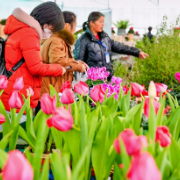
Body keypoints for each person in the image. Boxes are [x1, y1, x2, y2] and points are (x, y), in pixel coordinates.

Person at [1, 2, 66, 113]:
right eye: (53, 29)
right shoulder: (29, 34)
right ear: (46, 24)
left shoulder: (21, 29)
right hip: (18, 98)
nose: (51, 33)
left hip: (13, 91)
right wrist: (59, 69)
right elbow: (36, 68)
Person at [74, 12, 149, 79]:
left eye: (103, 22)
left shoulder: (105, 38)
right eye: (100, 22)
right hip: (92, 81)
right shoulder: (83, 40)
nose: (102, 24)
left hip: (107, 79)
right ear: (91, 23)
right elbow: (78, 63)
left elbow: (121, 47)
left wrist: (137, 52)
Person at [39, 11, 88, 100]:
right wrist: (78, 66)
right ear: (67, 26)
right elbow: (58, 61)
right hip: (51, 92)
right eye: (75, 25)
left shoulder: (57, 39)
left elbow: (62, 60)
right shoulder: (57, 40)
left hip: (52, 90)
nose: (75, 29)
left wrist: (76, 63)